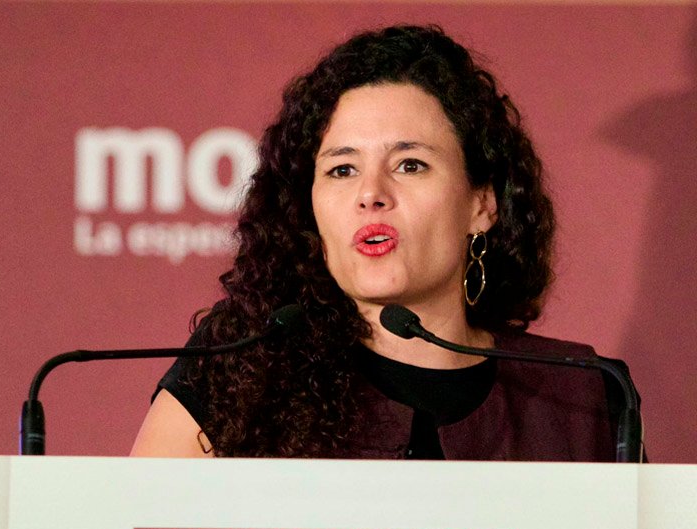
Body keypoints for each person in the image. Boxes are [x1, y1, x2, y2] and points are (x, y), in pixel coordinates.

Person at [131, 25, 638, 461]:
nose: (371, 194)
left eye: (410, 165)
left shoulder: (583, 397)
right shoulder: (242, 368)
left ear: (482, 204)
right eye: (342, 169)